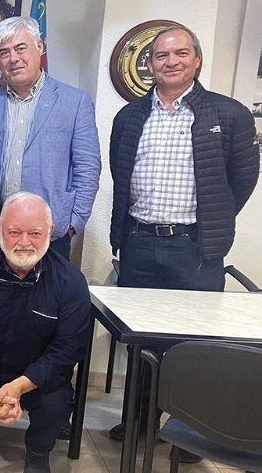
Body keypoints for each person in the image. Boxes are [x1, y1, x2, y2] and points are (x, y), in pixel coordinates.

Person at [106, 24, 259, 455]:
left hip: (195, 248)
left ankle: (194, 430)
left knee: (195, 345)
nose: (170, 61)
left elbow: (242, 181)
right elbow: (122, 177)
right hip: (138, 242)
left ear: (197, 60)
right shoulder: (131, 116)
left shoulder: (227, 114)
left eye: (180, 53)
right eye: (161, 55)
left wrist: (210, 223)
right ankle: (139, 419)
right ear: (150, 64)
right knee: (143, 338)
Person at [0, 192, 90, 473]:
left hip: (38, 379)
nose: (24, 242)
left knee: (58, 403)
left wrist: (18, 387)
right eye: (14, 232)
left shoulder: (71, 283)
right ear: (0, 230)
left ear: (50, 232)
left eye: (35, 233)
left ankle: (38, 451)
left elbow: (67, 350)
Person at [0, 16, 101, 260]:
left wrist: (72, 224)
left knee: (45, 299)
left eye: (20, 48)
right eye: (4, 52)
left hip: (49, 233)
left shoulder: (75, 102)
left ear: (39, 47)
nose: (13, 58)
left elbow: (87, 168)